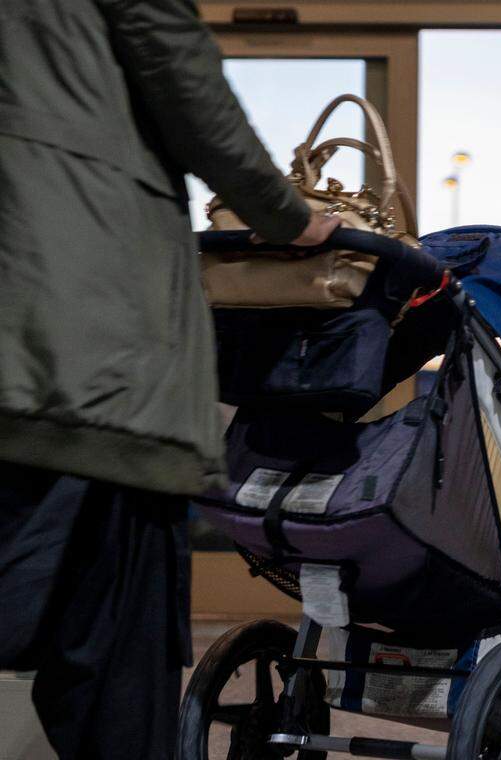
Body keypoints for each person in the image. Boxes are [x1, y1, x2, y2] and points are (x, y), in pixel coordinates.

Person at [0, 2, 339, 757]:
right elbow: (181, 73)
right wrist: (288, 214)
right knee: (115, 646)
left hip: (39, 339)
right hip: (76, 342)